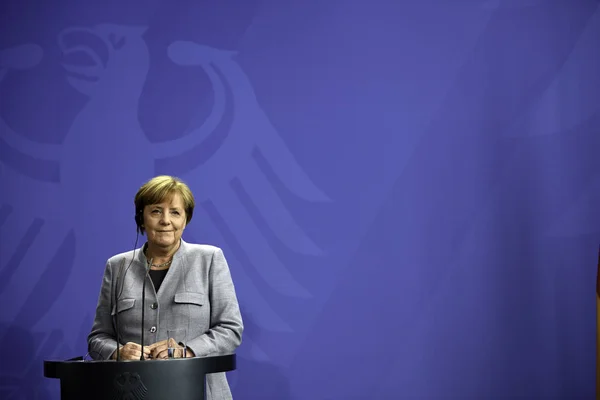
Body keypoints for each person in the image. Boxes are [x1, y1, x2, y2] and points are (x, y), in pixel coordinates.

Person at [88, 175, 244, 399]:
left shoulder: (209, 259)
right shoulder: (117, 266)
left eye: (175, 212)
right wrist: (117, 352)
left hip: (198, 392)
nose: (165, 220)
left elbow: (230, 329)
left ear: (185, 220)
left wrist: (186, 350)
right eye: (156, 211)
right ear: (141, 219)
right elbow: (98, 338)